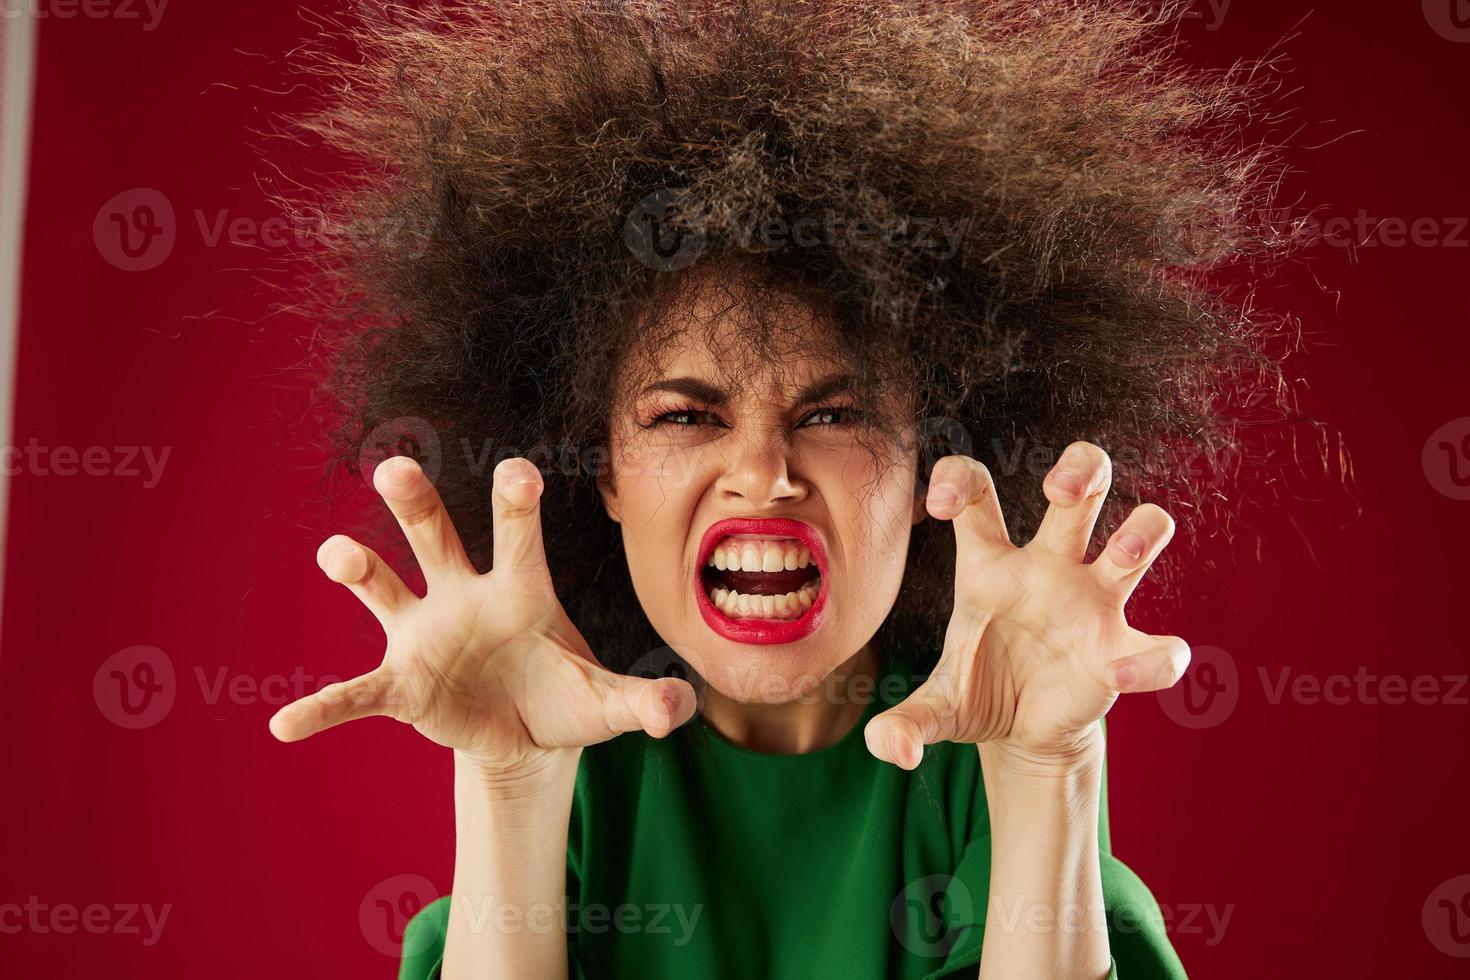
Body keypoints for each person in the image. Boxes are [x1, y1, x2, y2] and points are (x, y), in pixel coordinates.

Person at [265, 1, 1288, 976]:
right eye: (685, 414)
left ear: (935, 462)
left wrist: (1046, 770)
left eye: (835, 413)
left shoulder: (995, 761)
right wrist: (508, 783)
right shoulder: (572, 765)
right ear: (604, 470)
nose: (765, 473)